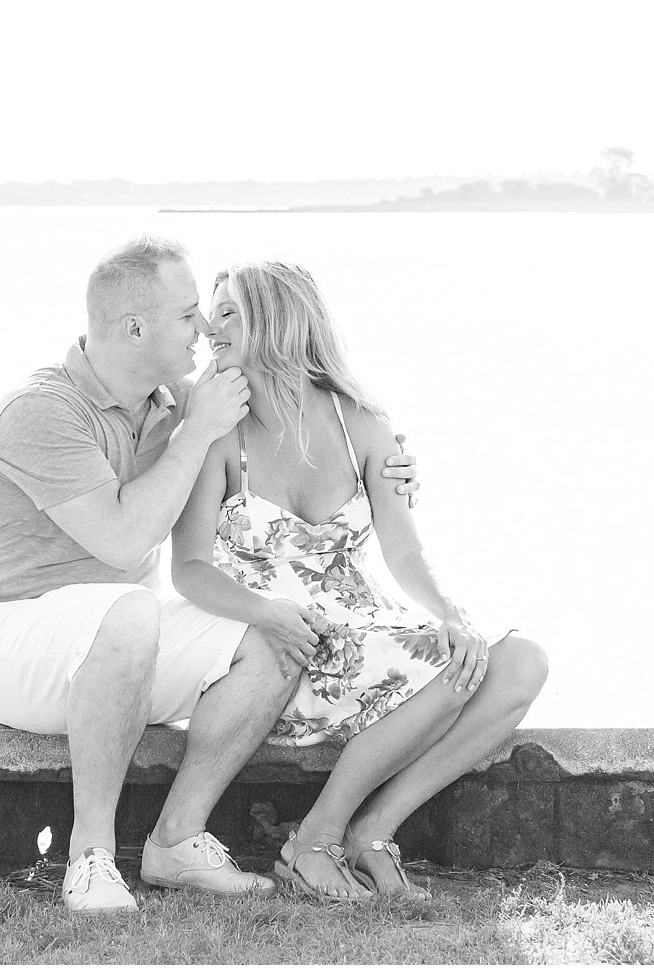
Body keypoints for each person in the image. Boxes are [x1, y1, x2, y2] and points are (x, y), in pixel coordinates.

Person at [0, 236, 420, 913]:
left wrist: (392, 468)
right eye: (188, 314)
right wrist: (196, 434)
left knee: (270, 631)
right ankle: (90, 858)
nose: (205, 328)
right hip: (15, 645)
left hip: (121, 648)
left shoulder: (177, 400)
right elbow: (122, 543)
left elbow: (303, 422)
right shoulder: (40, 411)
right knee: (130, 608)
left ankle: (176, 839)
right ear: (134, 327)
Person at [171, 261, 549, 901]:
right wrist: (264, 612)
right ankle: (311, 841)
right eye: (214, 313)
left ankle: (372, 828)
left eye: (230, 312)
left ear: (279, 319)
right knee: (443, 661)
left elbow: (403, 551)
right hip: (279, 650)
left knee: (519, 662)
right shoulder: (216, 434)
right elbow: (189, 570)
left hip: (368, 635)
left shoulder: (362, 425)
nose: (212, 327)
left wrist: (451, 612)